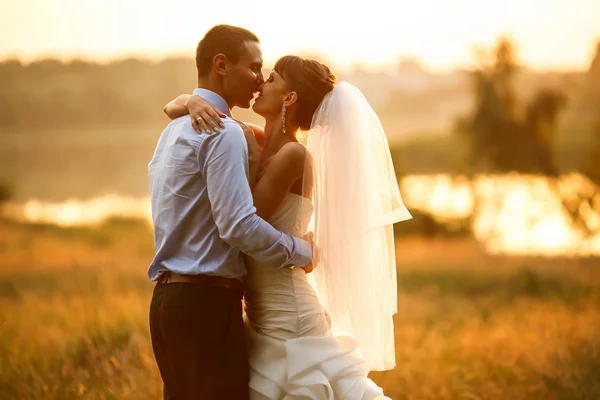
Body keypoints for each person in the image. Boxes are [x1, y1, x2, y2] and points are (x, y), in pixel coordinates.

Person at [164, 49, 412, 398]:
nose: (261, 83)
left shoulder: (294, 156)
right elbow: (172, 108)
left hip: (289, 314)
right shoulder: (255, 139)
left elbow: (243, 224)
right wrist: (191, 102)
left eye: (272, 78)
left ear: (290, 97)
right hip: (262, 316)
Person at [148, 25, 314, 400]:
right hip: (204, 306)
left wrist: (187, 101)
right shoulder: (222, 133)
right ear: (221, 64)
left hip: (167, 303)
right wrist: (304, 252)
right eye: (255, 68)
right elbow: (239, 226)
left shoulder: (174, 130)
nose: (259, 79)